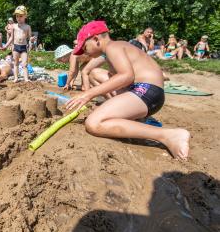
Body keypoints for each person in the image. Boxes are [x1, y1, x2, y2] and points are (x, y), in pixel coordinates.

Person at [65, 20, 190, 159]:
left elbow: (126, 76)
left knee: (93, 123)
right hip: (146, 91)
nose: (84, 51)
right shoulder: (114, 48)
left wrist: (88, 94)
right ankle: (131, 117)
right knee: (96, 73)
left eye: (84, 47)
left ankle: (168, 135)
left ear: (96, 39)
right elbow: (102, 75)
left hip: (147, 91)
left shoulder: (113, 47)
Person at [3, 5, 32, 82]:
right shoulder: (14, 26)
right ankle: (16, 78)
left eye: (21, 16)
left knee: (24, 64)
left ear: (25, 16)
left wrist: (31, 39)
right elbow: (11, 38)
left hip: (23, 47)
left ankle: (26, 79)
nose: (18, 18)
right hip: (15, 47)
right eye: (17, 16)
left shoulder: (27, 27)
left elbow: (29, 37)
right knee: (16, 63)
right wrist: (5, 46)